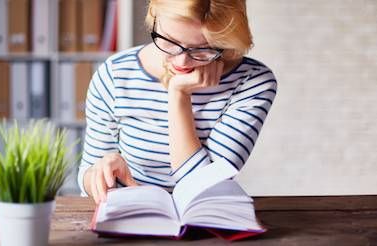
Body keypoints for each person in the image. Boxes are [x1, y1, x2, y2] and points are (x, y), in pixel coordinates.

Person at [78, 0, 277, 204]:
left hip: (204, 218)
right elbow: (86, 176)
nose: (182, 62)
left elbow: (202, 187)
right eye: (169, 42)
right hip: (131, 213)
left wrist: (179, 94)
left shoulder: (252, 83)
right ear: (153, 17)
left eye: (202, 49)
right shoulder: (115, 74)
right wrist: (98, 174)